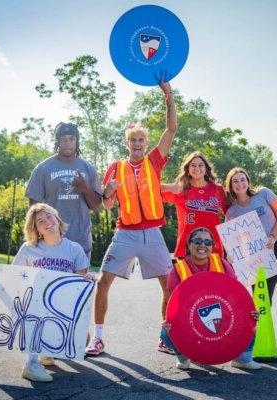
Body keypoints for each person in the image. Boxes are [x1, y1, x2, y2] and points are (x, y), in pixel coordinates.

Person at [85, 79, 177, 356]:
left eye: (141, 140)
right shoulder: (116, 167)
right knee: (102, 282)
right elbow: (107, 206)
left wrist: (168, 95)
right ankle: (98, 338)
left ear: (146, 143)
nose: (137, 144)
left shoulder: (154, 161)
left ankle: (166, 336)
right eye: (133, 140)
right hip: (125, 234)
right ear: (126, 143)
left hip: (152, 234)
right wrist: (108, 192)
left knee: (169, 285)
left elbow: (171, 128)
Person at [0, 203, 93, 382]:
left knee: (83, 337)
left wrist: (87, 279)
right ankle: (31, 363)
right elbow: (14, 277)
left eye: (49, 216)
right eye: (40, 221)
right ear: (36, 229)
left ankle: (47, 350)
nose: (46, 222)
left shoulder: (74, 249)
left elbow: (78, 289)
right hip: (32, 306)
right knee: (32, 307)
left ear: (57, 218)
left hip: (59, 307)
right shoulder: (28, 248)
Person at [160, 228, 261, 370]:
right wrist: (169, 322)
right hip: (190, 321)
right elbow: (174, 307)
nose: (203, 245)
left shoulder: (221, 262)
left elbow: (236, 293)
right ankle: (184, 356)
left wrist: (250, 310)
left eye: (208, 242)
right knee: (166, 331)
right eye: (197, 241)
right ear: (189, 244)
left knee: (251, 316)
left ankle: (242, 359)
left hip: (223, 316)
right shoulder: (178, 270)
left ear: (212, 246)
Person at [25, 122, 102, 259]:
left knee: (78, 280)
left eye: (71, 139)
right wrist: (36, 237)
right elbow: (34, 209)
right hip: (51, 241)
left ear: (77, 142)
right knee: (49, 281)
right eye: (63, 139)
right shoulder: (43, 169)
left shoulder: (88, 168)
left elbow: (96, 206)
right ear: (57, 142)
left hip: (81, 242)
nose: (67, 143)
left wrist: (85, 189)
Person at [225, 167, 277, 304]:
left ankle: (261, 324)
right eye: (235, 181)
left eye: (242, 179)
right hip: (251, 256)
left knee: (267, 293)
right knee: (259, 295)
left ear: (248, 181)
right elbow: (231, 239)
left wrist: (272, 237)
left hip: (273, 248)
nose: (240, 184)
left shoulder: (264, 194)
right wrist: (231, 254)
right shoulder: (231, 212)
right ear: (230, 185)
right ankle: (259, 325)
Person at [162, 151, 226, 259]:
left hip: (213, 248)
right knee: (187, 276)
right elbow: (152, 190)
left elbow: (232, 211)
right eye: (193, 165)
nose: (197, 168)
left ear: (206, 169)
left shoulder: (217, 189)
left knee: (214, 276)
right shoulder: (180, 189)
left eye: (201, 165)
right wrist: (171, 187)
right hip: (186, 248)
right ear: (187, 169)